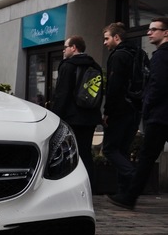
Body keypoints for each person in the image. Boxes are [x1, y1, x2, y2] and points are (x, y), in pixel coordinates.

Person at [108, 17, 168, 209]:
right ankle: (129, 196)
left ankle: (129, 197)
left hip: (159, 115)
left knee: (146, 157)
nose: (149, 32)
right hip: (161, 113)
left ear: (165, 33)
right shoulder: (154, 55)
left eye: (154, 29)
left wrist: (147, 107)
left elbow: (157, 86)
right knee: (146, 157)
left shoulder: (160, 56)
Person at [50, 35, 102, 187]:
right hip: (90, 117)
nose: (63, 50)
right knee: (86, 152)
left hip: (72, 118)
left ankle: (72, 186)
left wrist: (55, 116)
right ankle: (90, 185)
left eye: (65, 47)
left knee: (70, 154)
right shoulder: (95, 66)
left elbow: (62, 94)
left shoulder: (68, 66)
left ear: (74, 48)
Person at [101, 22, 141, 195]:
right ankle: (125, 191)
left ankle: (133, 176)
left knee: (110, 149)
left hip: (120, 109)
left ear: (116, 37)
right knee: (122, 150)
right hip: (136, 108)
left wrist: (107, 112)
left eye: (106, 38)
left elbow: (114, 86)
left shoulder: (118, 56)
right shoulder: (138, 53)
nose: (104, 42)